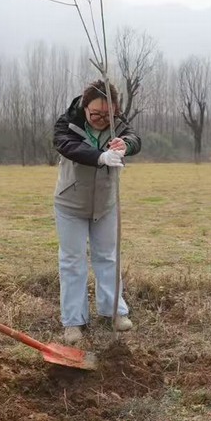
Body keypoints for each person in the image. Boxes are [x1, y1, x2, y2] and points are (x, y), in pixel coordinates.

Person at [53, 79, 141, 345]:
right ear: (85, 106)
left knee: (108, 258)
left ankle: (114, 312)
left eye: (107, 115)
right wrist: (99, 157)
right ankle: (73, 321)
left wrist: (125, 145)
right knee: (72, 262)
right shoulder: (68, 123)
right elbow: (66, 145)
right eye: (96, 114)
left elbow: (135, 139)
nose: (102, 120)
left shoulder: (117, 123)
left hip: (105, 204)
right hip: (71, 204)